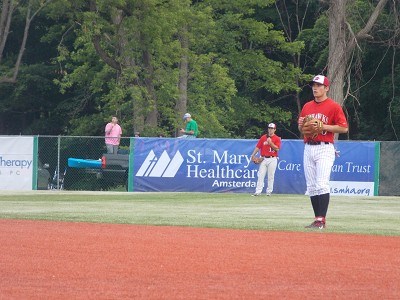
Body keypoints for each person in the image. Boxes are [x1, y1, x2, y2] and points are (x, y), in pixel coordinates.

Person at [298, 75, 348, 229]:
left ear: (326, 88)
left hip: (325, 147)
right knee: (311, 186)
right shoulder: (307, 106)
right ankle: (317, 219)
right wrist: (301, 125)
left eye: (319, 85)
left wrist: (324, 127)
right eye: (313, 85)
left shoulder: (333, 106)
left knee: (321, 183)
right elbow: (302, 129)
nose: (315, 88)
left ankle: (322, 220)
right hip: (309, 147)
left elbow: (344, 128)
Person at [250, 123, 281, 196]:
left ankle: (269, 192)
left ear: (275, 130)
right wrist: (253, 155)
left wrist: (270, 143)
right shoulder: (263, 137)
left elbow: (277, 149)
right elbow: (258, 147)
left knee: (270, 176)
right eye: (269, 128)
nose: (270, 130)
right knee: (261, 175)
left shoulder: (277, 138)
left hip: (272, 158)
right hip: (263, 158)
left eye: (272, 128)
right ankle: (258, 191)